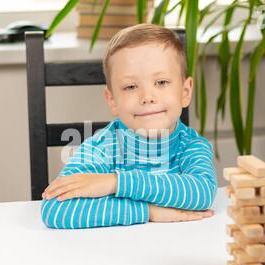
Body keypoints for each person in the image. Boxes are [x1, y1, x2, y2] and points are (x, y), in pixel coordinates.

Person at [41, 24, 218, 229]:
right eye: (131, 87)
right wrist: (148, 212)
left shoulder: (192, 146)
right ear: (112, 100)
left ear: (185, 92)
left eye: (161, 82)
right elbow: (55, 208)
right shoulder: (102, 148)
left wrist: (115, 183)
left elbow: (201, 193)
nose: (147, 97)